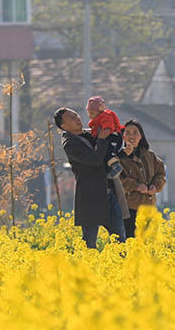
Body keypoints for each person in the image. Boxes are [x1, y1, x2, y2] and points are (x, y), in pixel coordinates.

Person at [54, 107, 128, 248]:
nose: (77, 118)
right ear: (63, 126)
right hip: (90, 198)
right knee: (89, 244)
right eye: (71, 118)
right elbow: (94, 160)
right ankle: (88, 269)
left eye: (76, 115)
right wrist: (101, 139)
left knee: (120, 241)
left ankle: (122, 269)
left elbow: (111, 151)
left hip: (108, 194)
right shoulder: (70, 144)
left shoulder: (91, 134)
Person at [119, 119, 166, 238]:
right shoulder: (119, 157)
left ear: (141, 136)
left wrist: (155, 186)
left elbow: (160, 174)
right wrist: (136, 186)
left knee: (148, 244)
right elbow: (117, 181)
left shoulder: (150, 155)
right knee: (132, 241)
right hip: (130, 208)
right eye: (128, 132)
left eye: (135, 132)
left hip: (149, 207)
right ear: (123, 136)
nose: (131, 136)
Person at [86, 96, 124, 178]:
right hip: (106, 137)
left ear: (100, 110)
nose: (90, 115)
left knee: (108, 153)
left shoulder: (106, 116)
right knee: (103, 153)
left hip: (113, 137)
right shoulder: (96, 119)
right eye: (88, 113)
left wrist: (100, 138)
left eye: (92, 113)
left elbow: (108, 128)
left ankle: (116, 166)